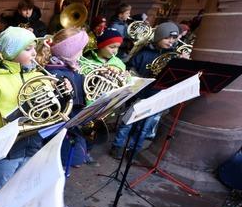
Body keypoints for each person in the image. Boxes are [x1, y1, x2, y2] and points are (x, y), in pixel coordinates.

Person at [0, 27, 44, 198]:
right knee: (0, 185)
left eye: (34, 48)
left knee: (23, 181)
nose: (34, 53)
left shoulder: (36, 74)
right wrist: (1, 122)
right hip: (9, 145)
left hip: (33, 140)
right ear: (12, 52)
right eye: (28, 49)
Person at [109, 22, 182, 158]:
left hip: (157, 94)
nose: (171, 41)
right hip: (139, 93)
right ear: (158, 37)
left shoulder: (174, 56)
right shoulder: (144, 53)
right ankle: (117, 146)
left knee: (145, 127)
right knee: (128, 122)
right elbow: (131, 69)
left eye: (174, 38)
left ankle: (134, 150)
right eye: (167, 38)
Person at [45, 28, 92, 167]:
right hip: (63, 131)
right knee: (62, 162)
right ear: (69, 52)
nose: (82, 53)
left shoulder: (72, 68)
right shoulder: (56, 73)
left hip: (73, 126)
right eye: (80, 49)